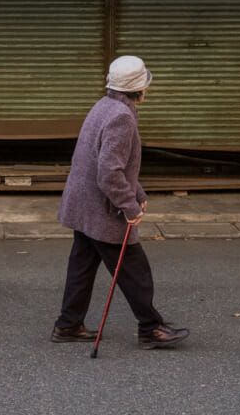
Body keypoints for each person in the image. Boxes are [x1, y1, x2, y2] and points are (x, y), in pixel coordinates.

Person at [52, 56, 189, 350]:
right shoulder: (122, 117)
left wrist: (137, 194)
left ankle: (68, 324)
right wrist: (129, 206)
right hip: (102, 208)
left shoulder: (104, 106)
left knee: (82, 266)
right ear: (139, 89)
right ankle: (151, 329)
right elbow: (109, 172)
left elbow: (114, 164)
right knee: (134, 269)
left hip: (83, 204)